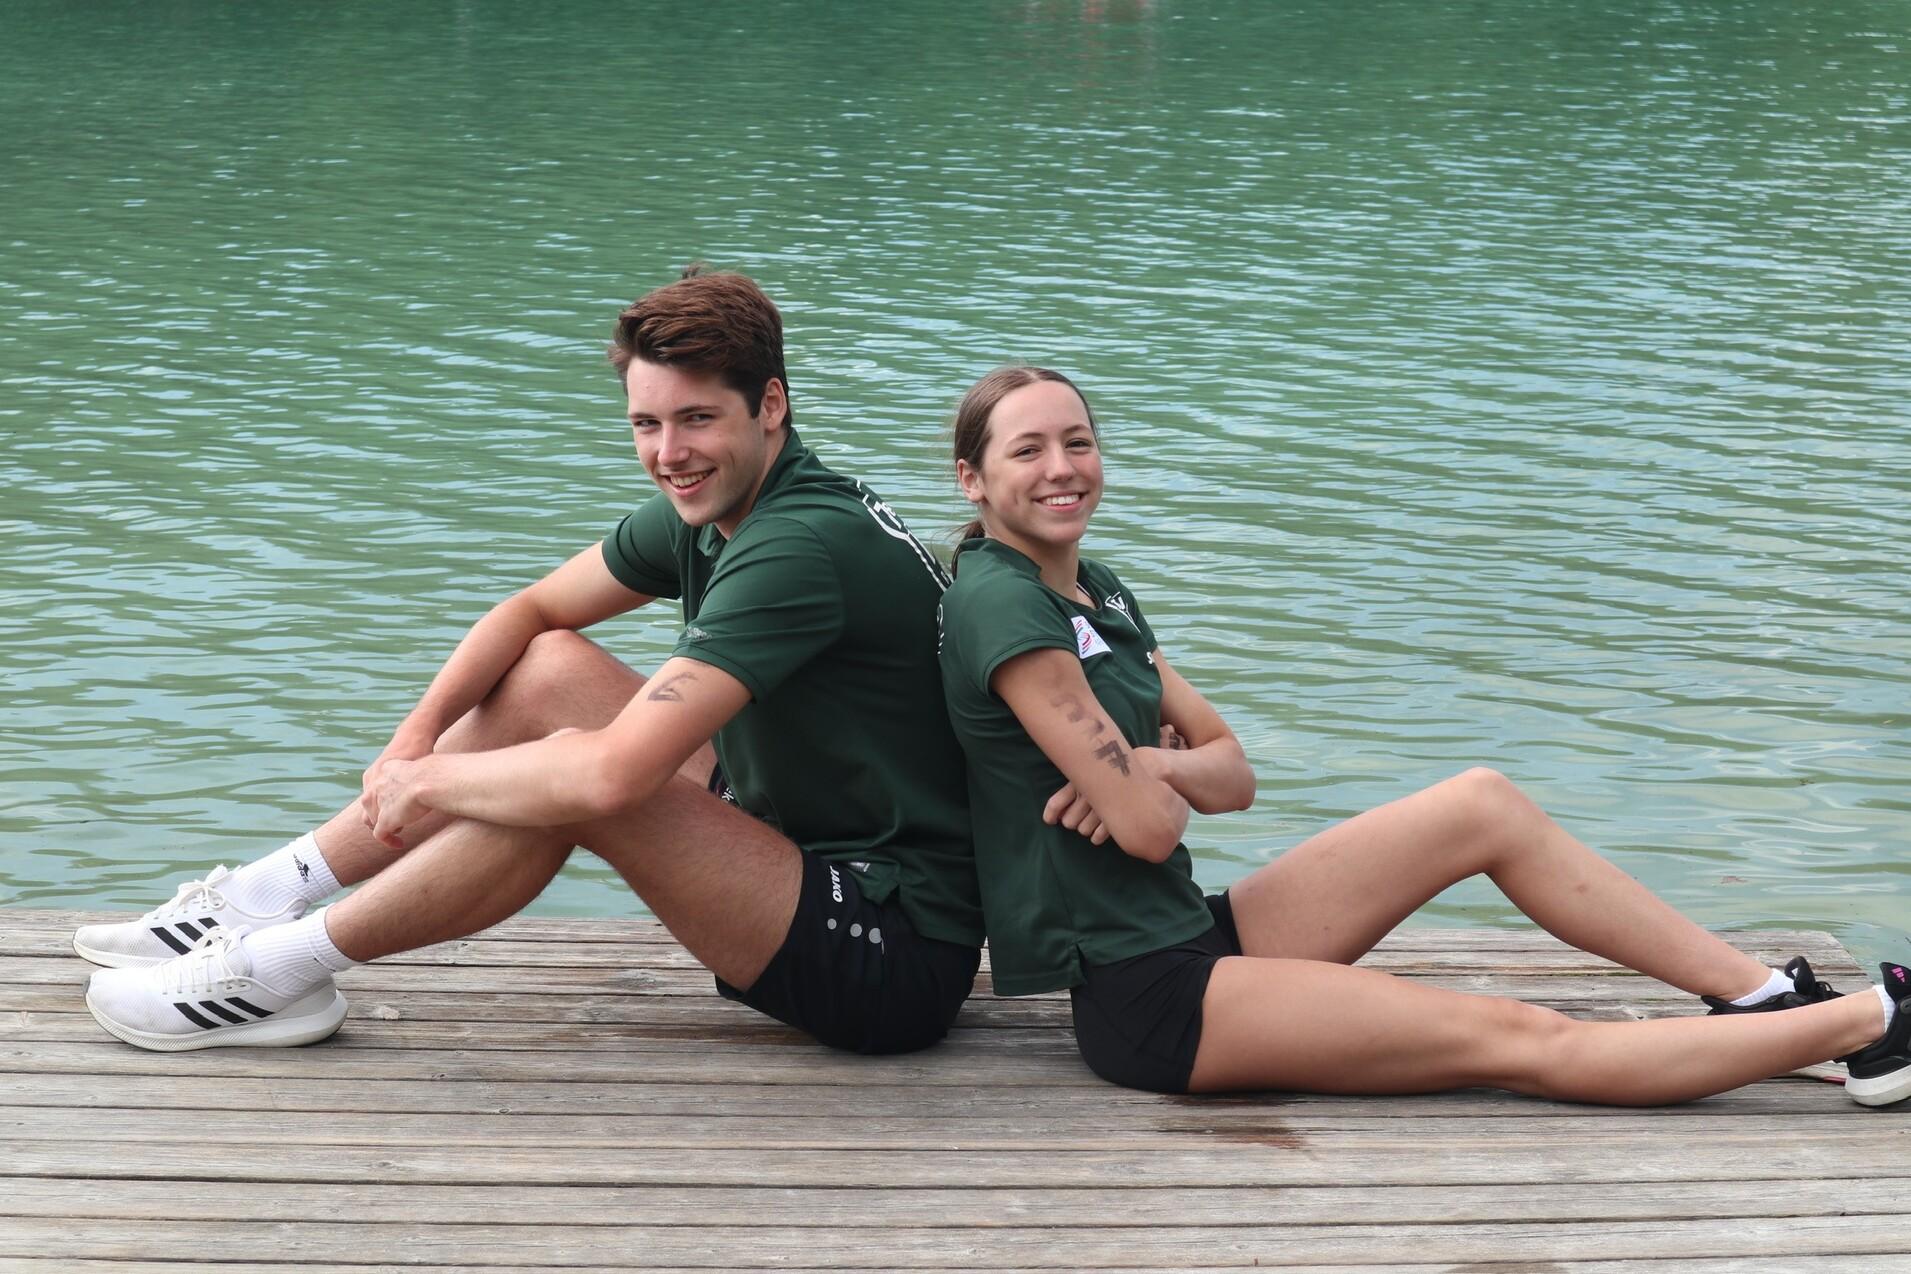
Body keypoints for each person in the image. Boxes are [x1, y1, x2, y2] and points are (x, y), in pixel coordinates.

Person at [934, 363, 1911, 1107]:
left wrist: (1144, 764)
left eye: (1078, 441)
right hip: (1148, 1000)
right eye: (1028, 451)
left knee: (1480, 802)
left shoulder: (1094, 587)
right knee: (1520, 1034)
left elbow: (1232, 774)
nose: (1062, 468)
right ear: (972, 479)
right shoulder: (1004, 608)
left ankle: (1758, 996)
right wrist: (1147, 787)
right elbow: (1150, 830)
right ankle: (1871, 1024)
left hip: (1195, 930)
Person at [76, 267, 983, 1055]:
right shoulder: (722, 500)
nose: (669, 455)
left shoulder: (797, 549)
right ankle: (256, 901)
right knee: (550, 668)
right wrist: (412, 742)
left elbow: (611, 777)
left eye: (697, 419)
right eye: (646, 424)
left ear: (770, 406)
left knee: (577, 786)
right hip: (798, 839)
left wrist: (432, 788)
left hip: (888, 948)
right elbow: (532, 611)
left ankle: (274, 974)